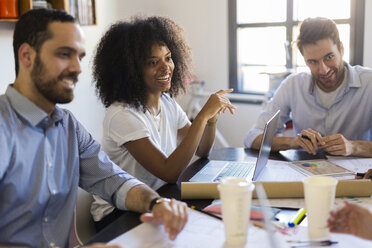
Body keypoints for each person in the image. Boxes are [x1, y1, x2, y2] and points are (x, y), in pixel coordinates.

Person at [0, 9, 188, 247]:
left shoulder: (68, 126)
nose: (78, 68)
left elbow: (114, 180)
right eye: (65, 54)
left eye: (79, 56)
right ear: (27, 56)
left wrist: (157, 204)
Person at [91, 16, 236, 231]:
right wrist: (202, 116)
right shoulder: (122, 115)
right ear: (130, 70)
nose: (165, 67)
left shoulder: (167, 102)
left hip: (158, 198)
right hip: (118, 214)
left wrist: (211, 118)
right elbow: (169, 172)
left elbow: (202, 149)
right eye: (153, 62)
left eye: (168, 58)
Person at [244, 17, 372, 157]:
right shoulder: (292, 85)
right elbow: (252, 137)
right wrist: (293, 142)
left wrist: (353, 146)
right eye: (312, 62)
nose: (323, 70)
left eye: (329, 57)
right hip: (307, 176)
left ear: (341, 49)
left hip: (358, 176)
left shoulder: (368, 82)